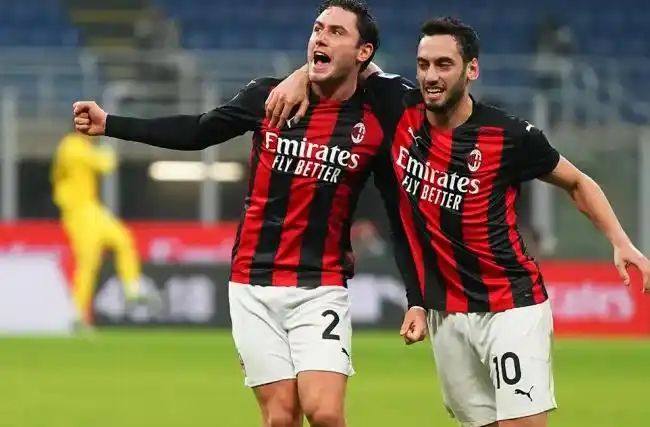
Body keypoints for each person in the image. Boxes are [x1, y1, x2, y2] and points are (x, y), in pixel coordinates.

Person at [266, 16, 650, 427]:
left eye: (444, 64)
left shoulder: (508, 135)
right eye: (423, 64)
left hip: (510, 304)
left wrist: (620, 241)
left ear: (472, 69)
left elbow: (576, 182)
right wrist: (299, 75)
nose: (431, 76)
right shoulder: (399, 107)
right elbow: (346, 58)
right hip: (446, 313)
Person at [72, 2, 410, 426]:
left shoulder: (377, 116)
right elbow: (198, 130)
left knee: (324, 413)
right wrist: (110, 123)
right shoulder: (270, 98)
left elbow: (399, 207)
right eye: (317, 28)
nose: (320, 37)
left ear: (364, 52)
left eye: (336, 32)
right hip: (252, 281)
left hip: (320, 284)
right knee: (280, 418)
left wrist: (416, 297)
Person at [51, 132, 145, 327]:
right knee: (88, 261)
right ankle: (77, 313)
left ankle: (132, 287)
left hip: (91, 208)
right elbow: (104, 164)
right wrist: (108, 151)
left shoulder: (76, 146)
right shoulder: (72, 145)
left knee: (123, 239)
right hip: (77, 212)